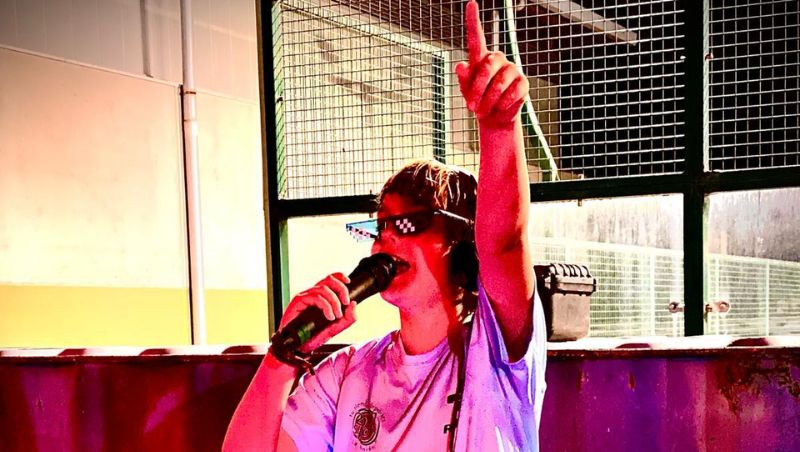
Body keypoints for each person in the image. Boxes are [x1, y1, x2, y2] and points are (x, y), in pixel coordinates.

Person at [223, 1, 546, 450]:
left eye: (409, 223)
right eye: (380, 228)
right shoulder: (347, 374)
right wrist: (282, 357)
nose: (386, 237)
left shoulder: (495, 351)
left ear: (461, 245)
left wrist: (498, 127)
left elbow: (504, 244)